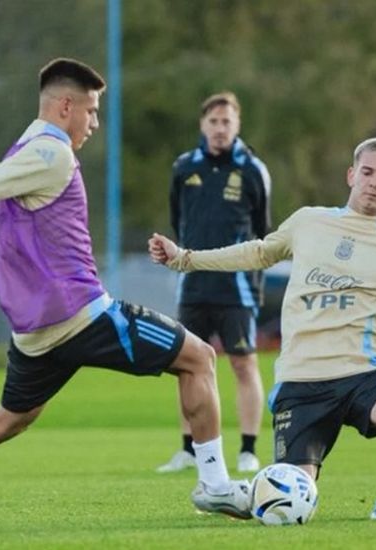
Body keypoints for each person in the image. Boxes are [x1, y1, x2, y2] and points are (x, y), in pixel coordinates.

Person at [0, 58, 251, 527]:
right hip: (82, 315)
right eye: (91, 111)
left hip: (35, 332)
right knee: (198, 359)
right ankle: (214, 485)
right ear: (65, 106)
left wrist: (33, 263)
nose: (95, 122)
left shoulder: (23, 150)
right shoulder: (51, 154)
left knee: (10, 418)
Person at [149, 137, 376, 520]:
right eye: (368, 172)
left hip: (361, 375)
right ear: (351, 175)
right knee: (292, 498)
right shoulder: (310, 221)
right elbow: (257, 251)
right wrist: (186, 259)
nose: (375, 182)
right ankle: (242, 495)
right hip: (301, 382)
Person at [157, 92, 271, 475]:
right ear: (202, 125)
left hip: (236, 288)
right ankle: (189, 449)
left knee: (243, 363)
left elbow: (263, 232)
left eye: (227, 122)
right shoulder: (183, 167)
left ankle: (248, 448)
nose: (220, 128)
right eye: (213, 122)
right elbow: (178, 221)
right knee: (186, 364)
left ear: (236, 126)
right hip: (192, 286)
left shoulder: (253, 170)